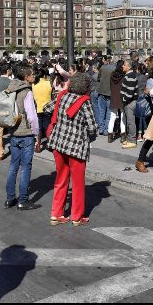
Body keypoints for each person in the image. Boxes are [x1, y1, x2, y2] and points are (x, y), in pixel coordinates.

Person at [46, 73, 98, 227]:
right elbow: (92, 127)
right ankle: (77, 216)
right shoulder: (84, 102)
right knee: (77, 182)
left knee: (60, 179)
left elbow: (47, 108)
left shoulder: (62, 96)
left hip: (58, 143)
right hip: (76, 147)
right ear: (86, 87)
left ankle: (56, 214)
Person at [3, 65, 42, 211]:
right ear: (26, 77)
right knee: (26, 167)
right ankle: (23, 200)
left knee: (13, 165)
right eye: (32, 74)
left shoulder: (10, 88)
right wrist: (37, 133)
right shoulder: (26, 92)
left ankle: (10, 198)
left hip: (13, 131)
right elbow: (32, 116)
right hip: (26, 133)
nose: (34, 76)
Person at [120, 60, 140, 149]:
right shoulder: (129, 75)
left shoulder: (130, 76)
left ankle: (132, 140)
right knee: (128, 121)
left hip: (130, 102)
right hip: (128, 102)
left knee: (131, 122)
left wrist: (124, 99)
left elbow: (130, 91)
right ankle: (129, 139)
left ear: (128, 67)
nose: (122, 66)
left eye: (124, 65)